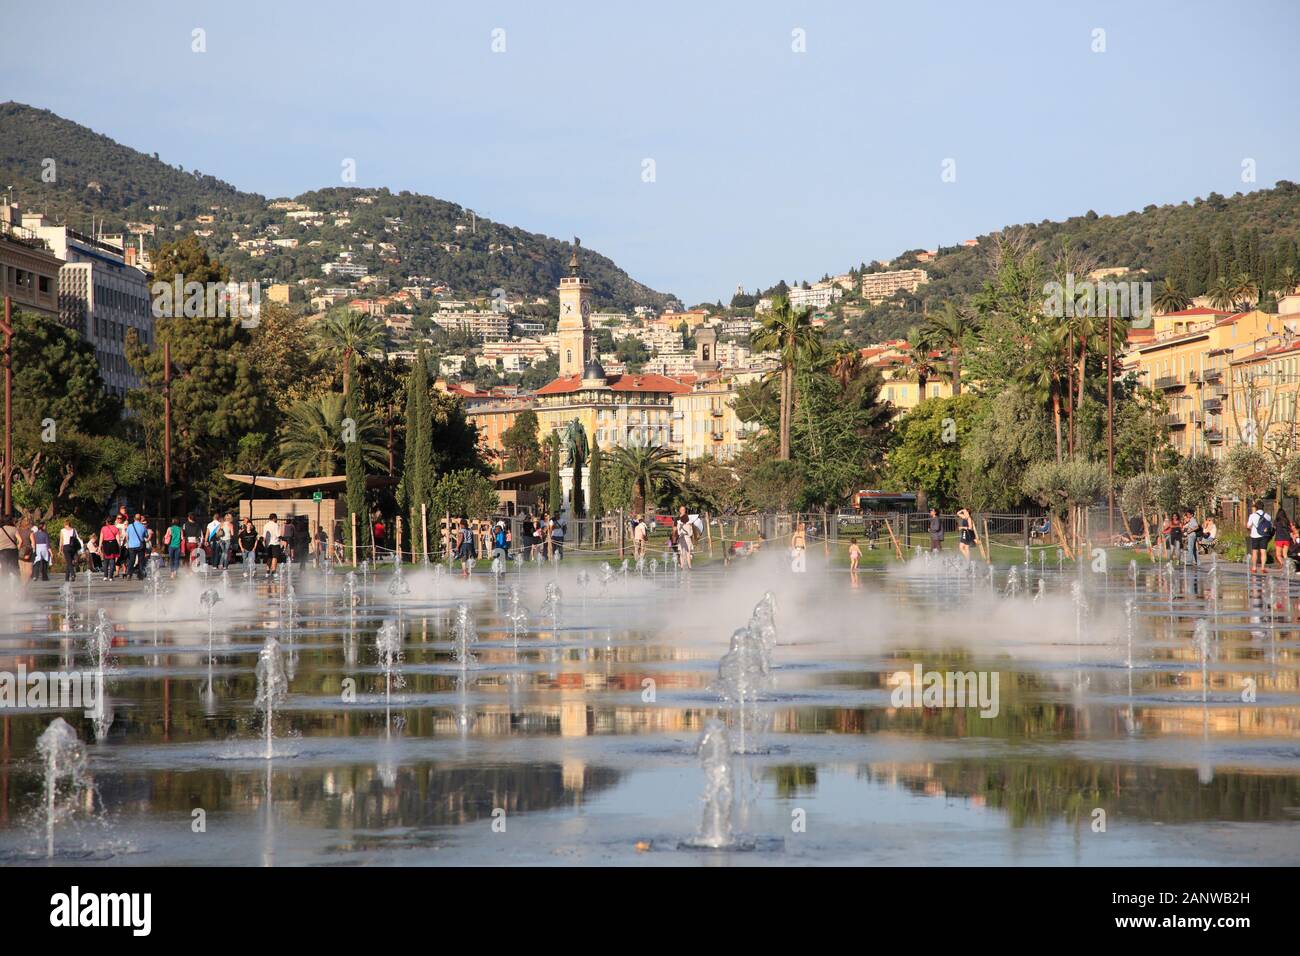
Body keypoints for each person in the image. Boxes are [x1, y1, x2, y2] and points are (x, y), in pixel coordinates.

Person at [1247, 501, 1271, 573]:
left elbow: (1248, 526)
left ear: (1256, 507)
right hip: (1264, 535)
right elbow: (1270, 526)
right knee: (1263, 551)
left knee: (1254, 551)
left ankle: (1254, 568)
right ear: (1263, 507)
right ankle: (1263, 568)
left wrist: (1251, 528)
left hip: (1255, 535)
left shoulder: (1252, 515)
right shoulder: (1268, 516)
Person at [2, 514, 24, 579]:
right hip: (12, 551)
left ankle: (5, 583)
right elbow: (21, 540)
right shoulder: (14, 529)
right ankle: (14, 583)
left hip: (2, 551)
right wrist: (18, 547)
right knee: (13, 568)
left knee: (4, 567)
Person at [100, 515, 120, 580]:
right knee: (112, 561)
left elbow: (101, 538)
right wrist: (119, 547)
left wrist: (99, 546)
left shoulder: (103, 528)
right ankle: (111, 577)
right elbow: (118, 540)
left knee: (105, 561)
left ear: (106, 522)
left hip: (106, 544)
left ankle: (105, 576)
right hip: (113, 544)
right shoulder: (116, 528)